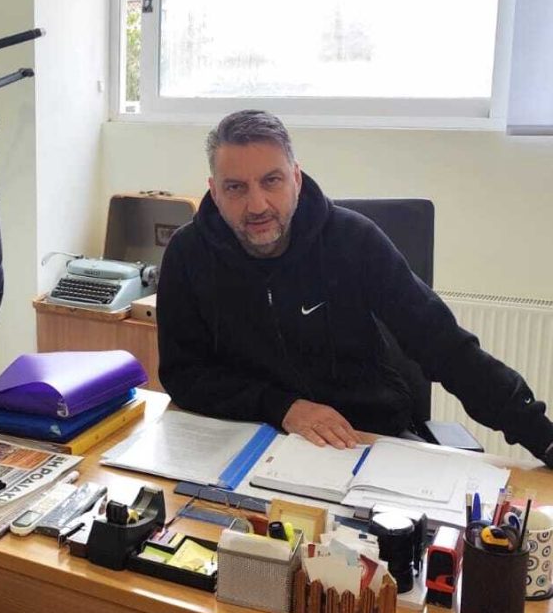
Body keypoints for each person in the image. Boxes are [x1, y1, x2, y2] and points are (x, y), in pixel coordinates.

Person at [157, 109, 553, 462]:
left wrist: (542, 437)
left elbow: (445, 346)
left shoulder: (354, 241)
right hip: (247, 440)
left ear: (296, 178)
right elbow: (183, 374)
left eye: (271, 181)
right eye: (236, 187)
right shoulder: (188, 254)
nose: (257, 205)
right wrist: (283, 407)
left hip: (365, 438)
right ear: (214, 190)